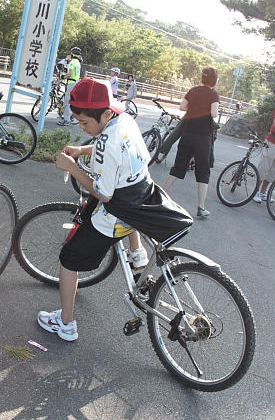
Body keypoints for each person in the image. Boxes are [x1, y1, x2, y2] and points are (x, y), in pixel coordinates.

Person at [38, 77, 192, 341]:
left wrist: (72, 167)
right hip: (145, 194)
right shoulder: (125, 121)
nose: (83, 127)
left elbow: (102, 194)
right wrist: (81, 149)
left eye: (85, 123)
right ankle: (138, 256)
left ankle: (65, 324)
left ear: (106, 113)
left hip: (119, 209)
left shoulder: (106, 142)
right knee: (128, 216)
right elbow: (110, 146)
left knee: (68, 259)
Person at [162, 67, 220, 218]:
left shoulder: (193, 90)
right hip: (203, 137)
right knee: (203, 171)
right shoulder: (213, 94)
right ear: (214, 80)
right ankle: (201, 207)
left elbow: (182, 107)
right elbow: (214, 113)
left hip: (187, 133)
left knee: (178, 166)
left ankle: (160, 195)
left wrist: (195, 108)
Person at [58, 47, 82, 126]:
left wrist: (63, 77)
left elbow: (70, 74)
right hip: (76, 82)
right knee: (71, 101)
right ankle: (71, 116)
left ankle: (66, 120)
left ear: (72, 54)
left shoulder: (72, 62)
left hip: (71, 82)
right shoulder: (78, 62)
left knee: (67, 102)